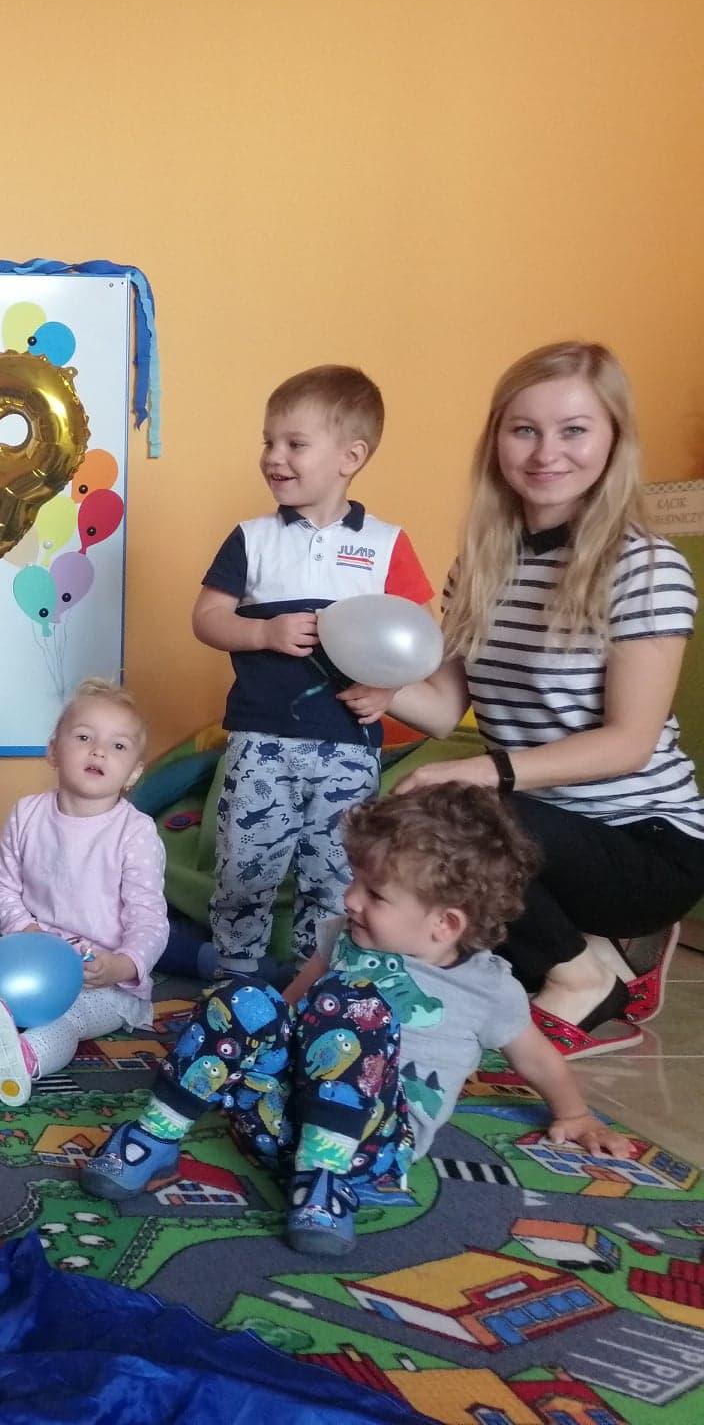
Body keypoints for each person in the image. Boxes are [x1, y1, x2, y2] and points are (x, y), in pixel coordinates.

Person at [82, 784, 632, 1256]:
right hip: (276, 1119)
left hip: (370, 1150)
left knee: (352, 1002)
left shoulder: (489, 989)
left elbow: (537, 1059)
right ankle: (152, 1138)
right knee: (247, 996)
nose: (349, 899)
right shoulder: (342, 937)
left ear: (445, 924)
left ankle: (324, 1181)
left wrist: (576, 1114)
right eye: (354, 881)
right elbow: (287, 1013)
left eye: (375, 894)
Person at [354, 342, 704, 1057]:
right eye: (524, 430)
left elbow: (629, 742)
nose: (547, 453)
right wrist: (364, 676)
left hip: (648, 842)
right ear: (498, 441)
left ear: (613, 440)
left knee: (461, 814)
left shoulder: (647, 567)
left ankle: (584, 977)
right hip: (533, 835)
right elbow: (444, 708)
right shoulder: (484, 563)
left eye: (574, 430)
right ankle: (595, 948)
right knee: (427, 853)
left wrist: (483, 773)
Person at [195, 365, 432, 980]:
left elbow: (419, 639)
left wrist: (387, 690)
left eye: (294, 443)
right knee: (245, 866)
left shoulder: (386, 544)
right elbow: (207, 618)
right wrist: (262, 633)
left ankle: (316, 981)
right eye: (268, 442)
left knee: (335, 874)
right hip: (262, 741)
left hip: (348, 747)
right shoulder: (251, 539)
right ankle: (234, 974)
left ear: (351, 456)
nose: (274, 457)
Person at [0, 680, 169, 1104]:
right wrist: (25, 929)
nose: (98, 751)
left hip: (101, 982)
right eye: (84, 738)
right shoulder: (27, 814)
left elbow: (149, 918)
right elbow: (4, 887)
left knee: (67, 1019)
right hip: (29, 959)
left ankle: (22, 1059)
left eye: (117, 746)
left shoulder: (136, 832)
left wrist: (122, 965)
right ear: (53, 751)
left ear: (133, 772)